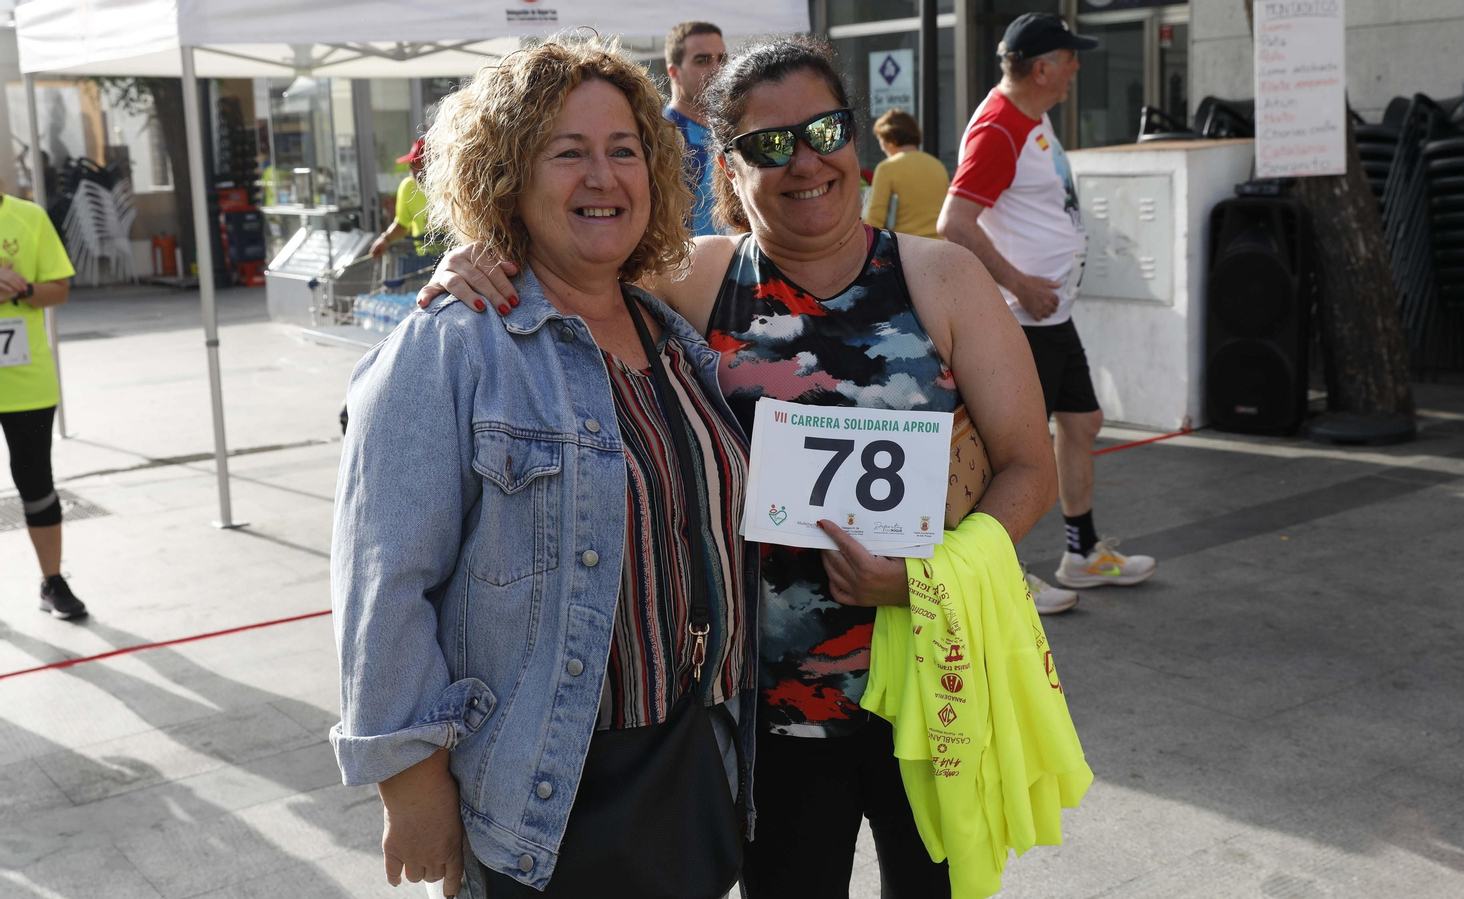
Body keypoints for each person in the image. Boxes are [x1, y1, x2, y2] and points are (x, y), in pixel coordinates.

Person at [417, 36, 1062, 898]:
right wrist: (475, 260)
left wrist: (926, 579)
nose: (804, 161)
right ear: (728, 163)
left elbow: (1029, 465)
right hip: (762, 717)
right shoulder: (694, 279)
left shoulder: (941, 278)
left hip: (926, 695)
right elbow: (567, 278)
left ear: (856, 140)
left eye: (825, 129)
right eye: (768, 144)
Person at [330, 38, 758, 898]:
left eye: (623, 151)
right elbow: (383, 580)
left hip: (692, 764)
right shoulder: (449, 344)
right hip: (543, 793)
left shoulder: (674, 339)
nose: (603, 177)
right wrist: (408, 782)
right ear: (507, 180)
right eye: (568, 153)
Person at [938, 12, 1156, 602]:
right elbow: (954, 223)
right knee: (1011, 453)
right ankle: (998, 574)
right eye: (1068, 58)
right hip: (1023, 319)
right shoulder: (998, 128)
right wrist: (1020, 283)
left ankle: (1081, 552)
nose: (1076, 68)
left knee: (1082, 423)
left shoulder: (1031, 117)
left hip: (1051, 317)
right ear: (1040, 68)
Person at [0, 187, 84, 620]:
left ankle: (52, 582)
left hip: (27, 383)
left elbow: (58, 290)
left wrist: (22, 287)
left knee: (36, 484)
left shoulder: (29, 216)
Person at [663, 21, 727, 236]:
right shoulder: (662, 137)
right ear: (674, 72)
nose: (717, 69)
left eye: (722, 59)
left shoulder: (731, 127)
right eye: (703, 61)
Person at [863, 108, 949, 240]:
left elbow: (875, 220)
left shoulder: (887, 167)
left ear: (889, 138)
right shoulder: (937, 165)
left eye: (880, 139)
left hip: (904, 247)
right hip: (938, 245)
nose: (881, 146)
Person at [369, 137, 433, 260]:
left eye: (416, 163)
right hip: (424, 261)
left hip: (454, 262)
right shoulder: (408, 187)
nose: (411, 168)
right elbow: (402, 225)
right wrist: (385, 239)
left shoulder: (452, 187)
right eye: (411, 163)